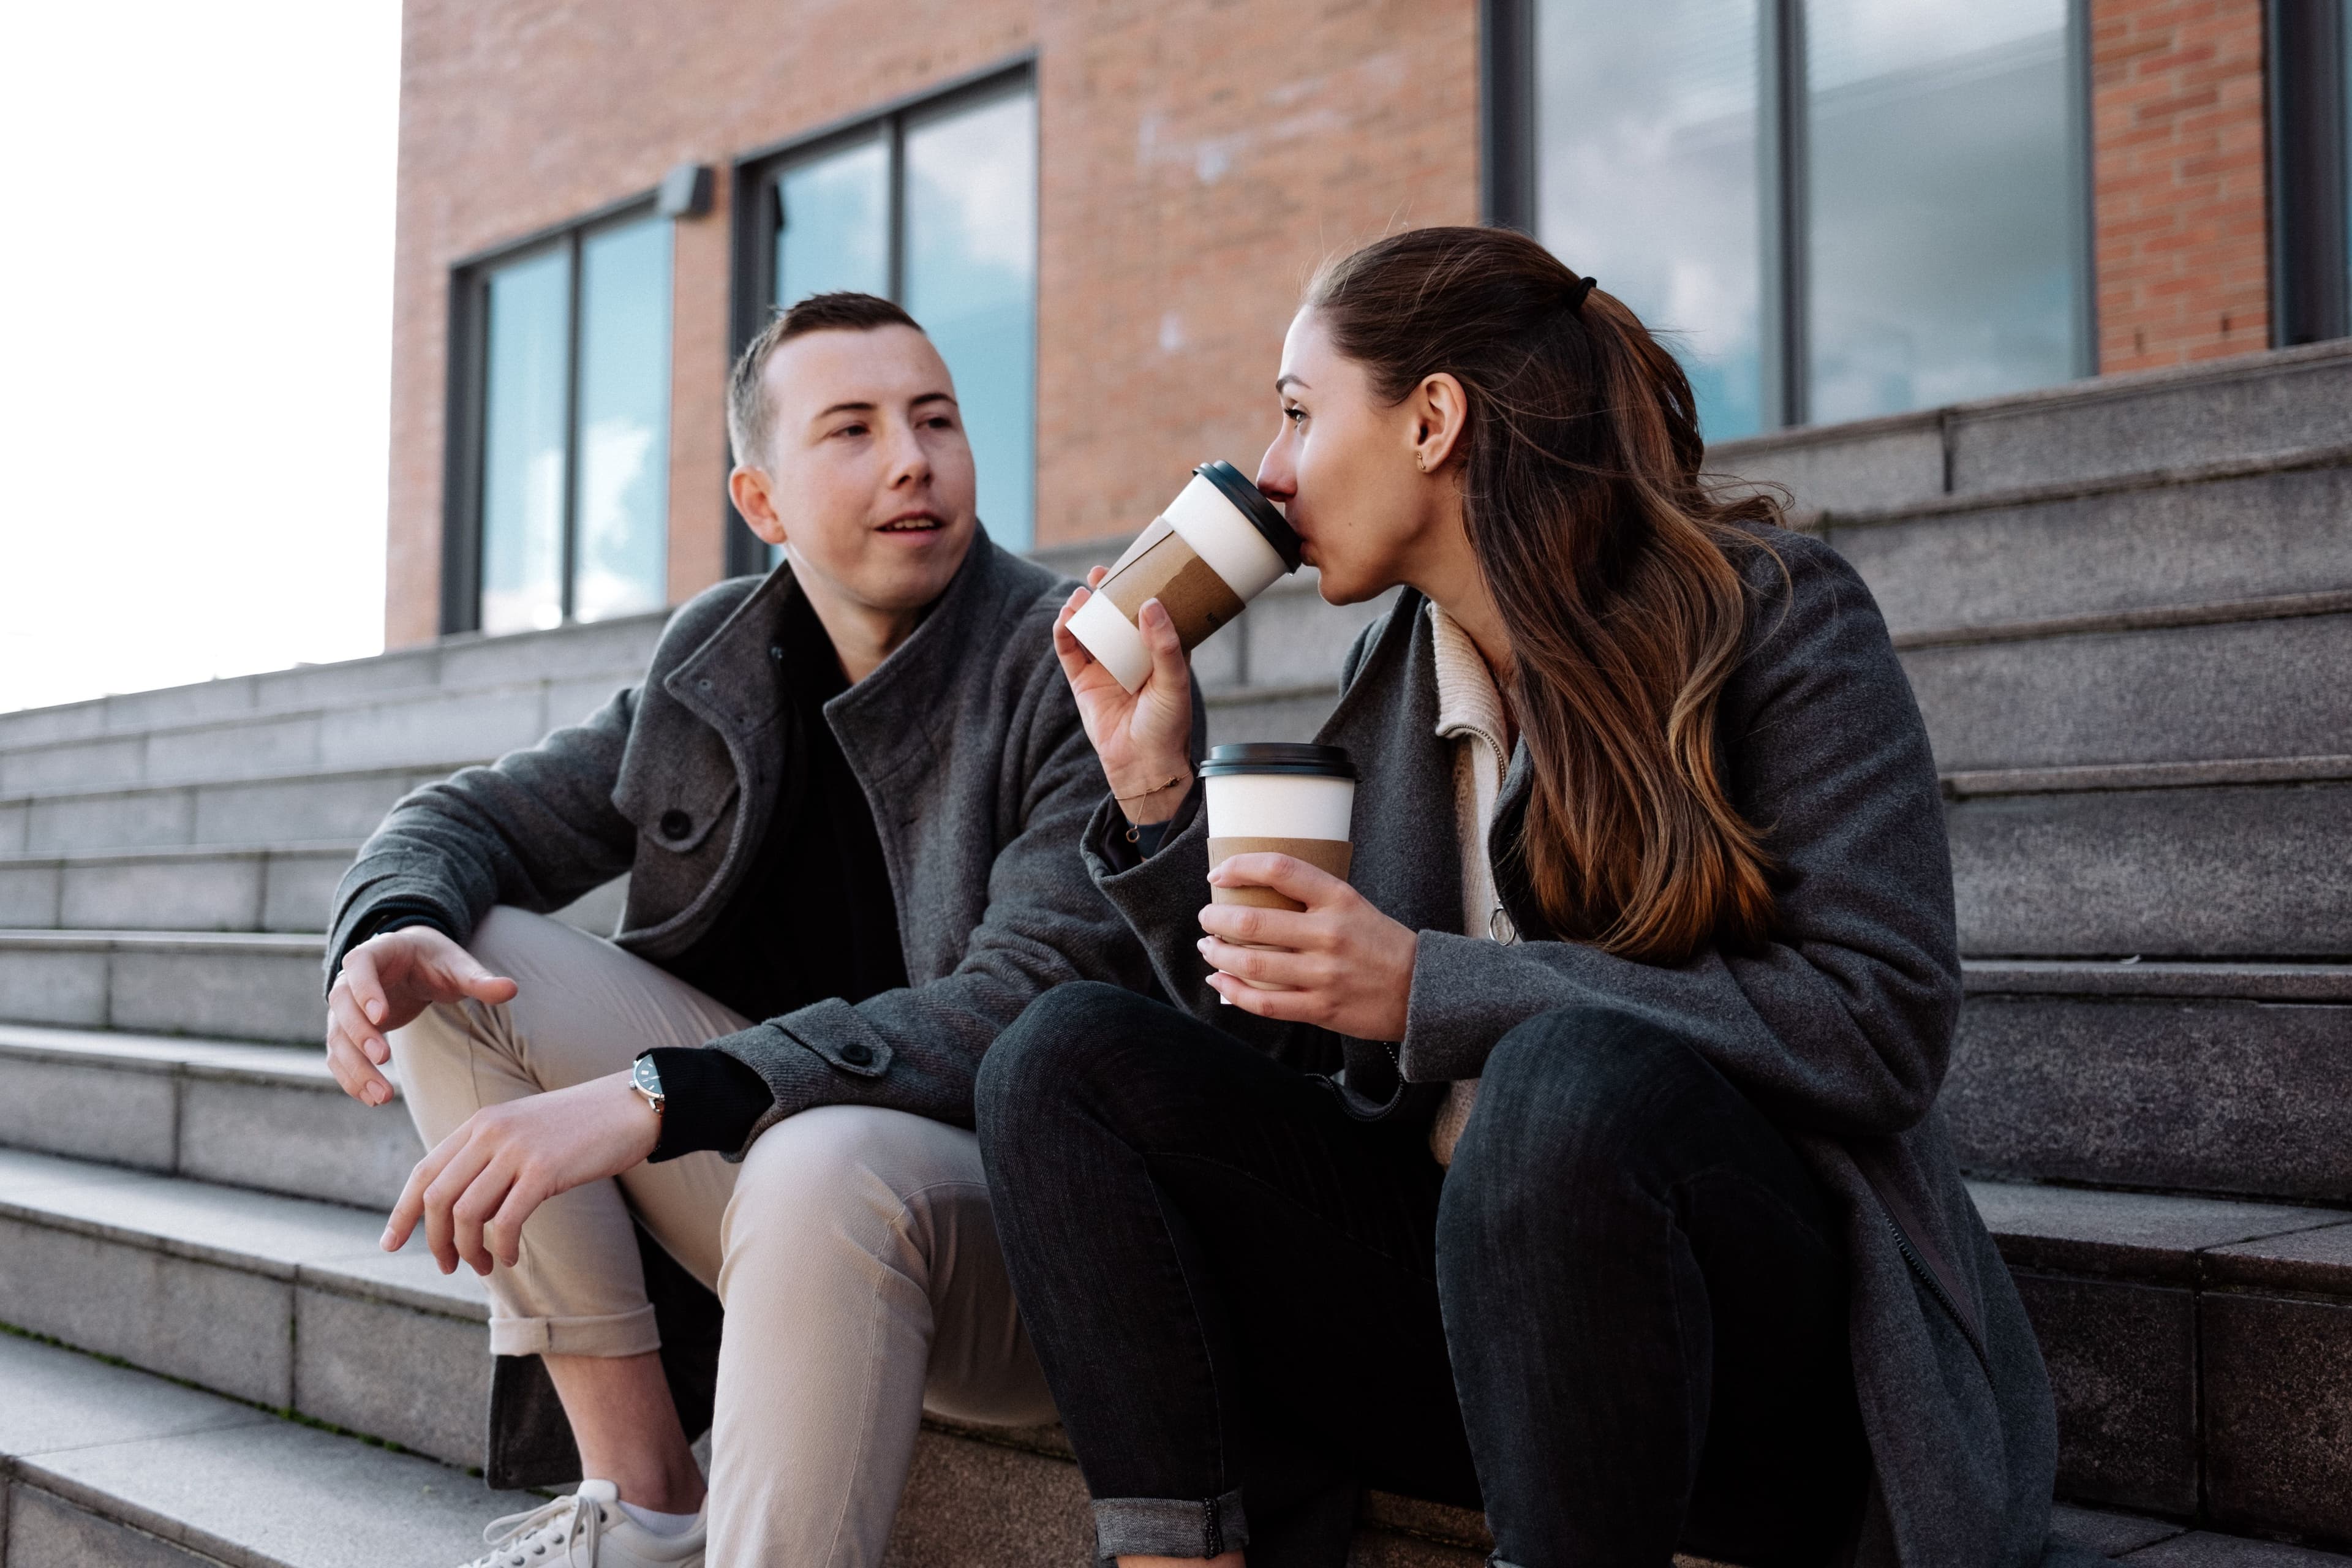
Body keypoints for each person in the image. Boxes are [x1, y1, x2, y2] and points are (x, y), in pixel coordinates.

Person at [975, 226, 2081, 1568]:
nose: (1267, 471)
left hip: (1754, 1358)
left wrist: (1434, 987)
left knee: (1565, 1075)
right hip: (1477, 1318)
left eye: (1299, 412)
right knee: (1062, 1055)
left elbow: (1877, 1021)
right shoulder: (1394, 688)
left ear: (1433, 419)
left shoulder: (1774, 617)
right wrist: (1158, 799)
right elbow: (1311, 1055)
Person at [323, 292, 1156, 1568]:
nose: (912, 458)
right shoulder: (719, 655)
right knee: (453, 965)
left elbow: (1028, 999)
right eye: (854, 428)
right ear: (761, 502)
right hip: (770, 1204)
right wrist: (386, 925)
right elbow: (469, 813)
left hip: (1018, 1241)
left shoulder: (1058, 668)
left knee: (821, 1158)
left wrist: (666, 1091)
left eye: (935, 417)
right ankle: (647, 1498)